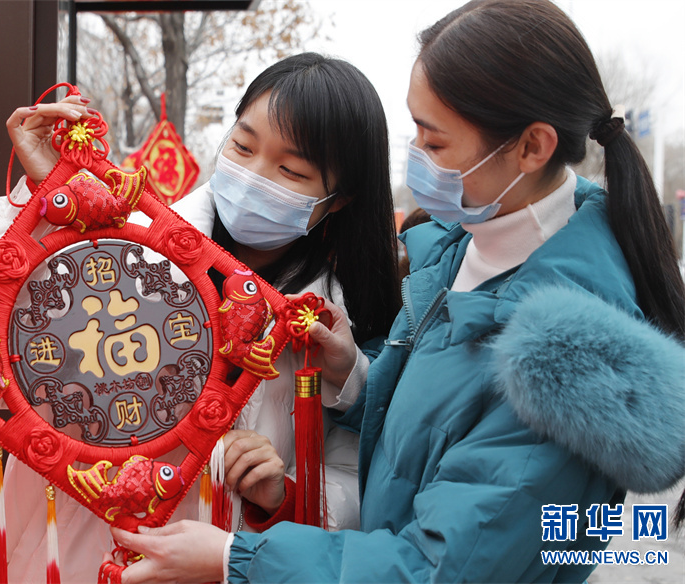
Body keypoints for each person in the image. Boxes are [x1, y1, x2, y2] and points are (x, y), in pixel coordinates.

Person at [103, 1, 685, 582]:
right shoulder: (462, 248)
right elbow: (432, 430)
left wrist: (234, 558)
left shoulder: (562, 361)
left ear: (532, 147)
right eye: (416, 132)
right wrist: (355, 376)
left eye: (435, 144)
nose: (416, 160)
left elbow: (442, 567)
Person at [0, 52, 401, 582]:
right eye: (242, 146)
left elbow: (361, 479)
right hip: (64, 546)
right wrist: (36, 205)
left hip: (208, 561)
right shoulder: (124, 240)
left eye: (290, 169)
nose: (253, 174)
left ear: (339, 200)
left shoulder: (333, 327)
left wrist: (276, 491)